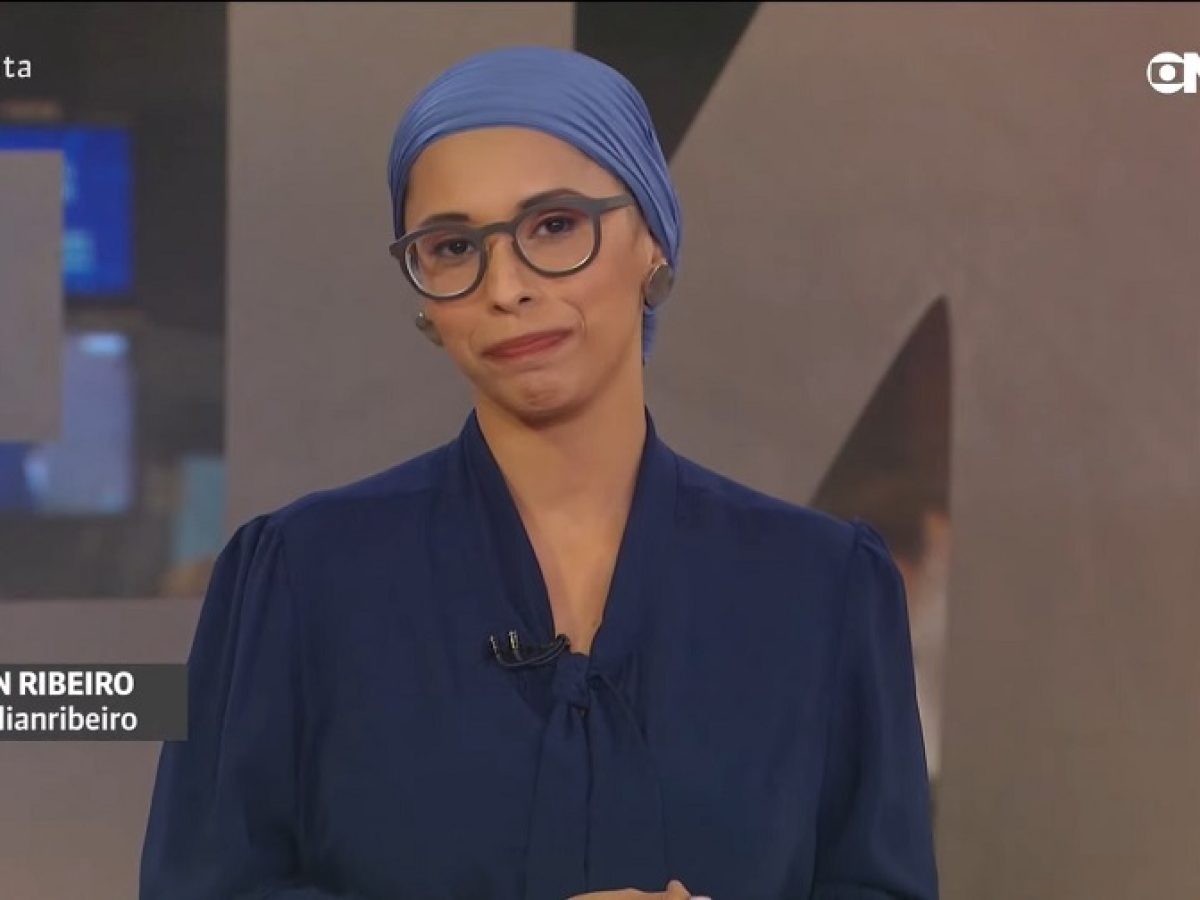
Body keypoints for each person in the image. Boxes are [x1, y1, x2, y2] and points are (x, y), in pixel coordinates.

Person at [139, 46, 938, 900]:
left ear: (653, 243)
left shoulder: (820, 588)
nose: (507, 287)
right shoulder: (300, 578)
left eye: (555, 225)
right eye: (453, 246)